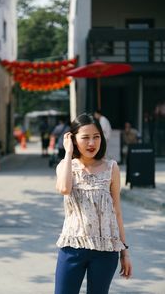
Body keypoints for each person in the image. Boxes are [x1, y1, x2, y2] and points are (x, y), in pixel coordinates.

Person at [54, 113, 132, 294]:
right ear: (73, 139)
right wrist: (67, 153)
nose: (92, 143)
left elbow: (117, 211)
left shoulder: (111, 168)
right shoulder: (66, 167)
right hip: (72, 247)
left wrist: (124, 253)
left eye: (96, 137)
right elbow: (64, 188)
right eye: (85, 137)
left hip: (105, 250)